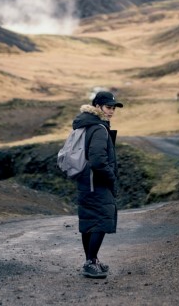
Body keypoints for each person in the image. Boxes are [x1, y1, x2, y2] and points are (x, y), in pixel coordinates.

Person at [72, 90, 122, 279]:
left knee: (89, 221)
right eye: (108, 107)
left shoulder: (87, 124)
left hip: (86, 180)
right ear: (97, 107)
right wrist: (111, 178)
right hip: (97, 181)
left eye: (113, 108)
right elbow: (98, 160)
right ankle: (90, 262)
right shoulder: (99, 129)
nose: (111, 111)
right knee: (102, 219)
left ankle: (91, 260)